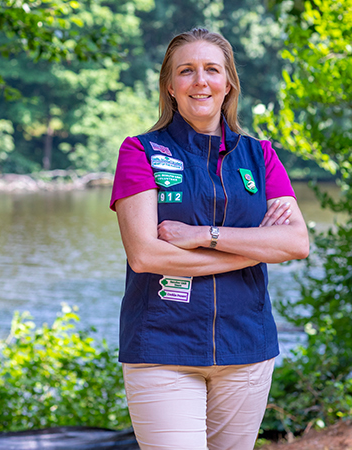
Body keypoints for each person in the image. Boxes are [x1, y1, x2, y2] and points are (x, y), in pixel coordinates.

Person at [108, 28, 311, 450]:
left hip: (247, 347)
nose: (200, 81)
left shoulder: (261, 155)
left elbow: (295, 243)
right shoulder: (140, 151)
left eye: (211, 70)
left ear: (228, 82)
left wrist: (203, 235)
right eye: (187, 71)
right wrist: (253, 249)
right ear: (170, 86)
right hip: (163, 347)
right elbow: (145, 255)